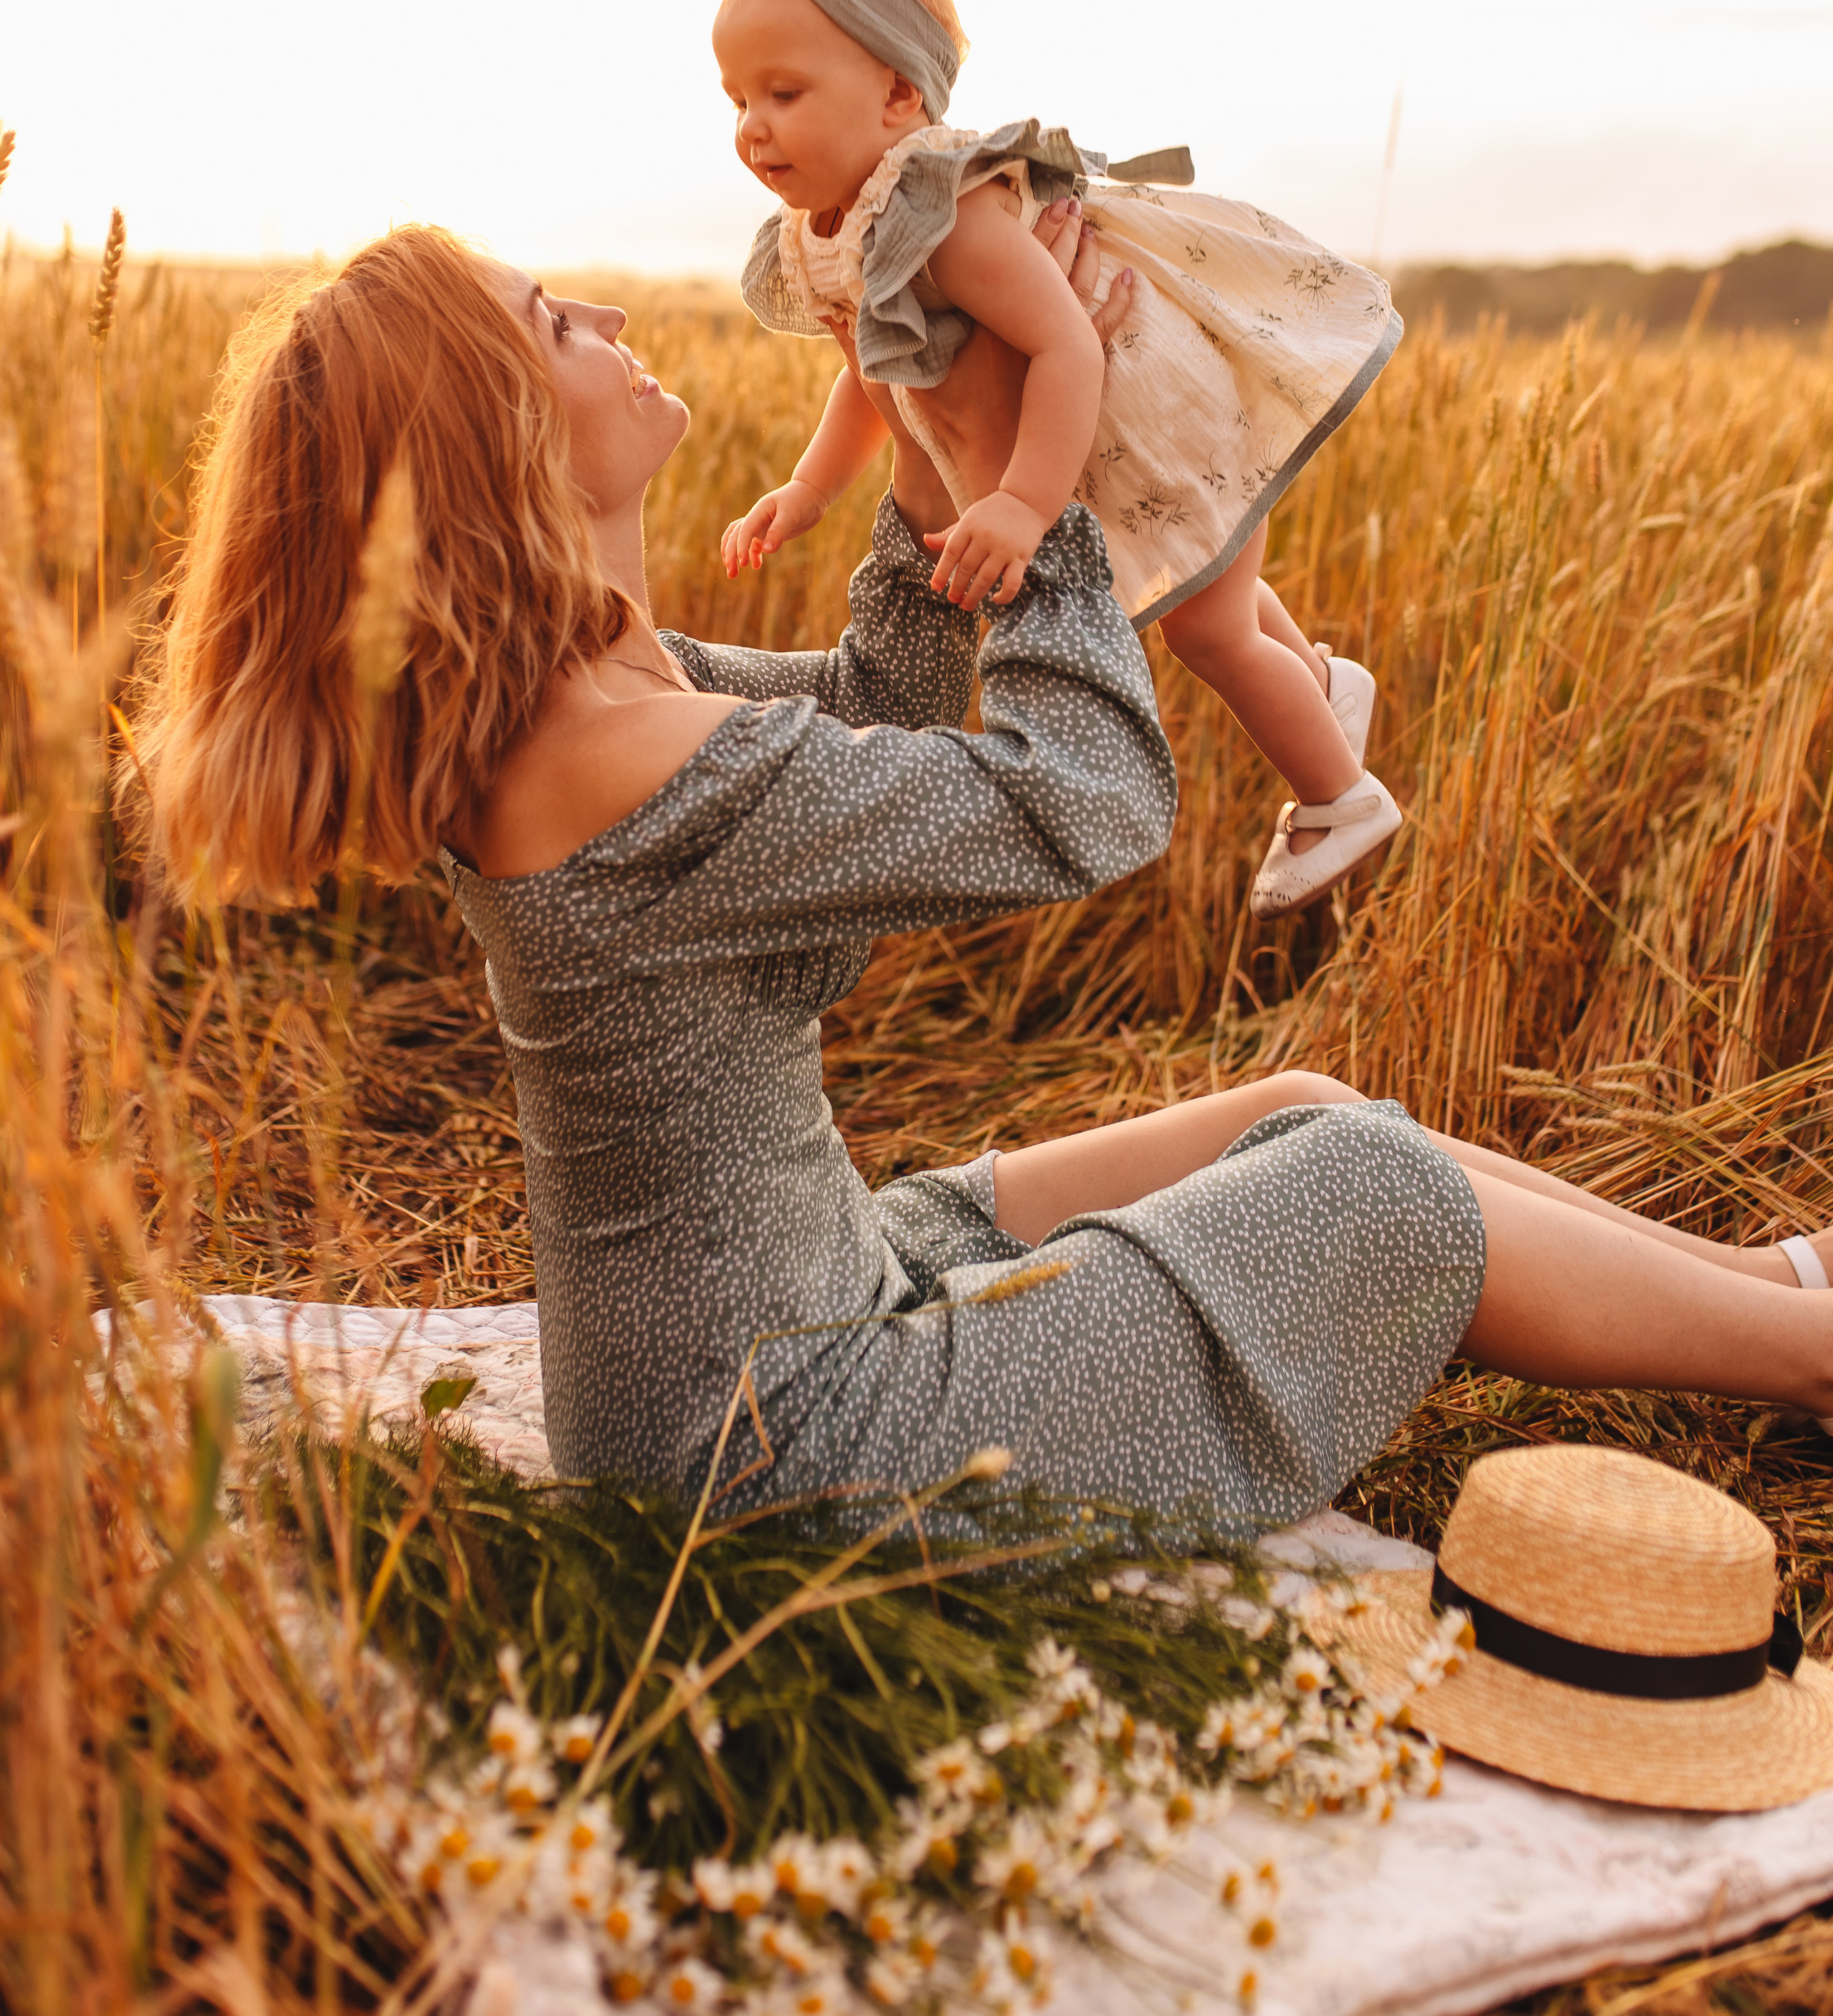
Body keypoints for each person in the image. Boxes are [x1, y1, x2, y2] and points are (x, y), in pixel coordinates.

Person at [133, 222, 1833, 1533]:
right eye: (556, 325)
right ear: (497, 429)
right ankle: (1814, 1355)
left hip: (798, 1309)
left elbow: (875, 705)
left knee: (1295, 1106)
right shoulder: (607, 752)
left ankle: (1776, 1288)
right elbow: (1082, 800)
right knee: (1372, 1197)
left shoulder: (586, 701)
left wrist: (952, 436)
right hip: (784, 1451)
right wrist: (1059, 496)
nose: (616, 321)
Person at [709, 0, 1398, 920]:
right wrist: (811, 487)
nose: (753, 127)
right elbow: (874, 368)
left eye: (784, 93)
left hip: (1141, 402)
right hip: (1082, 419)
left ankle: (1340, 798)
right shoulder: (833, 229)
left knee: (1206, 626)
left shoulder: (944, 211)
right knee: (1208, 572)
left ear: (899, 94)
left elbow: (1068, 345)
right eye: (736, 100)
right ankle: (1322, 685)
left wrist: (1027, 506)